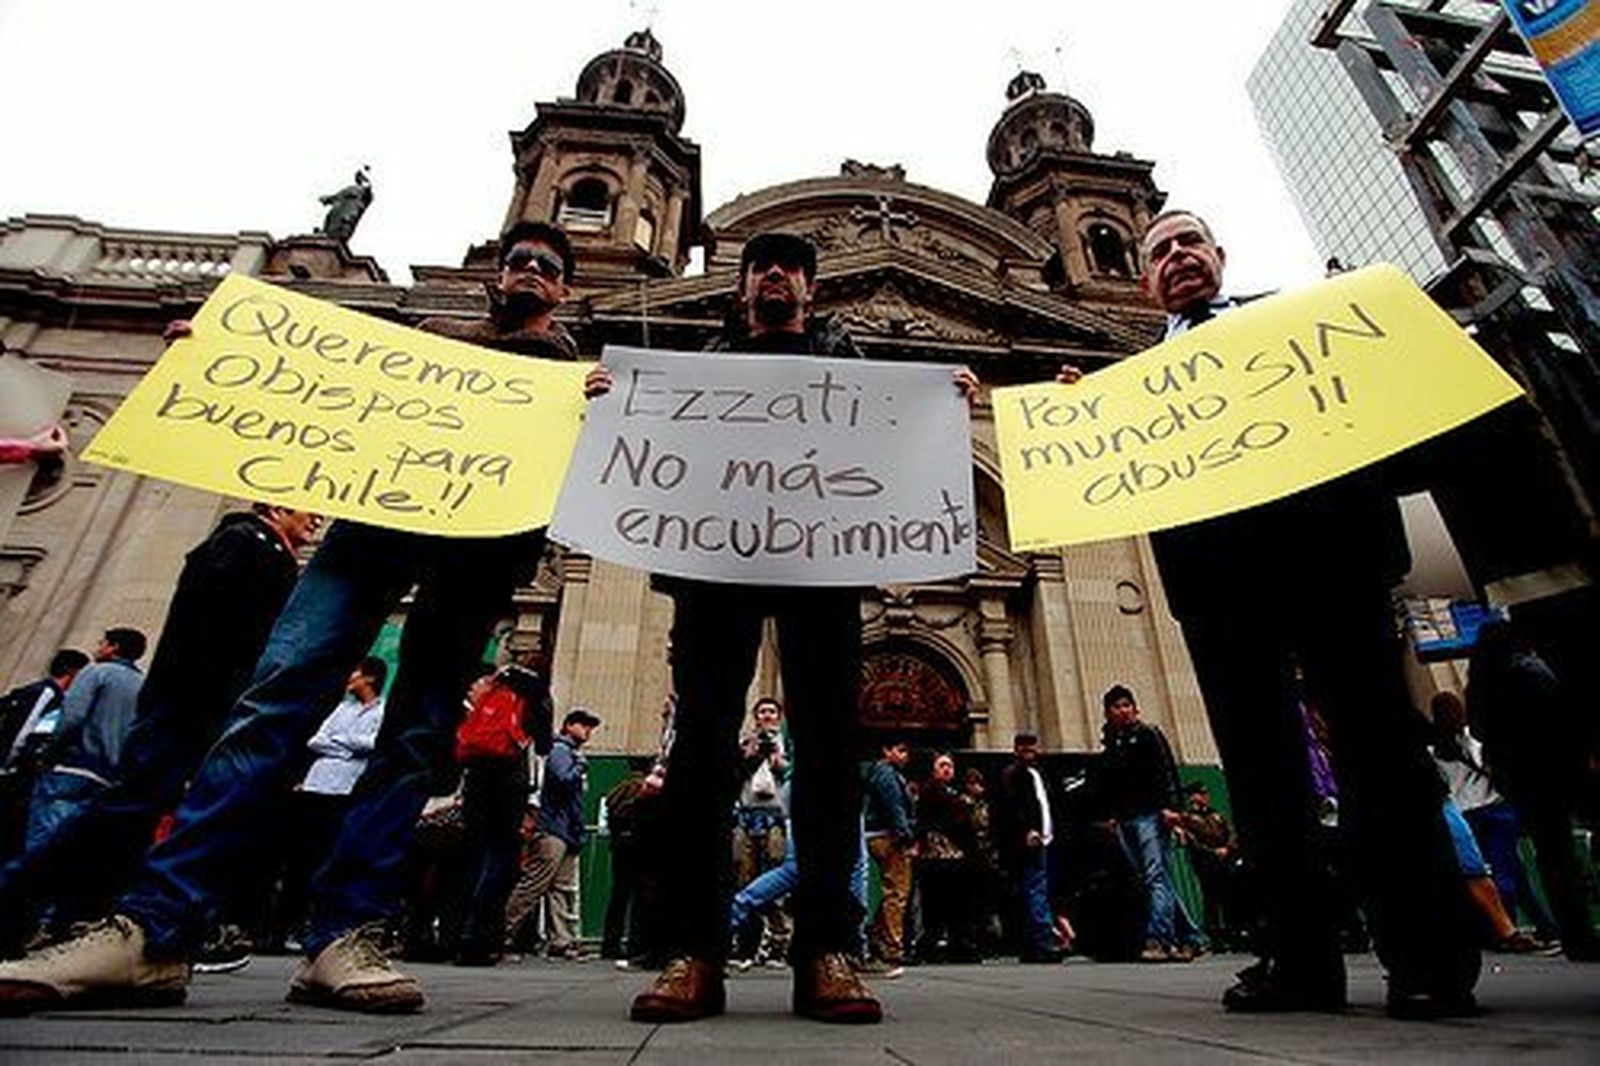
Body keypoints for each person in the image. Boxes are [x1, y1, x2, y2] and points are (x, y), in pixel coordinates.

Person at [0, 220, 605, 1015]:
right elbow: (323, 394)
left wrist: (598, 403)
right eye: (519, 260)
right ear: (498, 273)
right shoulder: (424, 335)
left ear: (563, 287)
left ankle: (343, 935)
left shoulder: (573, 366)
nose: (530, 272)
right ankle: (154, 928)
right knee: (271, 704)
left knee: (417, 739)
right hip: (369, 534)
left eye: (548, 267)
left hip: (479, 558)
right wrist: (220, 366)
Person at [1057, 209, 1480, 1017]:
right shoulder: (1140, 376)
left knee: (1378, 755)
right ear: (1146, 281)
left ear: (1220, 255)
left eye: (1189, 242)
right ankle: (1298, 962)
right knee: (1260, 776)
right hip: (1220, 592)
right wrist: (1082, 415)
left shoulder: (1299, 328)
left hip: (1333, 567)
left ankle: (1427, 959)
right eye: (1160, 252)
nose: (1176, 256)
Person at [624, 231, 979, 1026]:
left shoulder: (854, 372)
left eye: (792, 268)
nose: (776, 276)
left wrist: (950, 399)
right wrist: (610, 403)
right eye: (762, 266)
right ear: (743, 287)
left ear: (811, 293)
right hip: (716, 569)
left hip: (823, 568)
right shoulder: (700, 369)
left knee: (828, 751)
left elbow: (900, 448)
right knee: (701, 751)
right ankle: (694, 953)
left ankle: (828, 951)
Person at [0, 506, 317, 952]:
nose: (318, 519)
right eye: (310, 508)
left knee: (140, 811)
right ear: (277, 506)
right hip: (193, 701)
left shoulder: (256, 549)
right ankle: (23, 899)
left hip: (196, 701)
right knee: (131, 806)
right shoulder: (246, 545)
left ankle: (80, 913)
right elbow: (226, 631)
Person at [1467, 620, 1600, 960]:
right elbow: (1562, 709)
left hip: (1519, 777)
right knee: (1565, 847)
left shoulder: (1480, 683)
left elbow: (1479, 730)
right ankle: (1580, 928)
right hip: (1556, 767)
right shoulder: (1529, 669)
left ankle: (1573, 931)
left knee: (1550, 853)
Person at [1090, 685, 1200, 963]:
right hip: (1125, 819)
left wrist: (1172, 808)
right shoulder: (1111, 744)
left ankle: (1159, 939)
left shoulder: (1149, 734)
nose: (1123, 710)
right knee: (1156, 879)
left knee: (1154, 877)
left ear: (1135, 709)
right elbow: (1111, 784)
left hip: (1151, 814)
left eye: (1127, 705)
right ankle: (1191, 937)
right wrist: (1111, 816)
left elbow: (1166, 771)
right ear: (1107, 712)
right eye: (1117, 706)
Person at [23, 628, 147, 851]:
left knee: (43, 845)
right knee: (73, 849)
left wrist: (48, 753)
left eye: (103, 643)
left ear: (114, 647)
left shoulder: (96, 672)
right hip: (107, 778)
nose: (98, 647)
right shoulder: (143, 686)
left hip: (72, 769)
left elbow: (72, 718)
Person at [502, 707, 598, 960]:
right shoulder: (561, 751)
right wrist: (579, 766)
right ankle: (501, 932)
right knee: (535, 884)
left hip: (565, 830)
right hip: (553, 829)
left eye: (590, 726)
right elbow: (563, 780)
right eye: (582, 724)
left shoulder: (570, 753)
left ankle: (562, 942)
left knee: (560, 888)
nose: (587, 730)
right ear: (568, 726)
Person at [0, 650, 90, 860]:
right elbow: (24, 731)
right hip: (11, 773)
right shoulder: (48, 693)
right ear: (73, 672)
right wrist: (8, 766)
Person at [731, 697, 790, 962]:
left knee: (776, 880)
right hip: (747, 815)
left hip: (776, 817)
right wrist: (751, 754)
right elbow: (736, 772)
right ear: (755, 716)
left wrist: (778, 760)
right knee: (745, 877)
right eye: (762, 711)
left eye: (772, 712)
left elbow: (789, 772)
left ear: (779, 716)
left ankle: (779, 943)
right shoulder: (746, 740)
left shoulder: (786, 742)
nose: (767, 716)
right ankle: (747, 943)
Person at [998, 732, 1061, 963]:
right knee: (1035, 889)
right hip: (1028, 840)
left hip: (1046, 839)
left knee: (1037, 889)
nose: (1029, 750)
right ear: (1015, 750)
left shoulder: (1039, 774)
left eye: (1032, 746)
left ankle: (1032, 946)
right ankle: (1043, 942)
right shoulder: (1013, 774)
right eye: (1023, 747)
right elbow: (1015, 807)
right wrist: (1028, 829)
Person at [914, 752, 978, 963]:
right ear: (933, 769)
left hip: (955, 857)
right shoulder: (931, 790)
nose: (947, 769)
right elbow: (951, 815)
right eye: (942, 765)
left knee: (956, 904)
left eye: (950, 765)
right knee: (936, 904)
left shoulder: (952, 792)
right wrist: (962, 803)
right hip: (937, 857)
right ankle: (933, 946)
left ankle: (957, 945)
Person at [862, 738, 916, 974]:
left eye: (906, 751)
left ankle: (879, 939)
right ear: (886, 750)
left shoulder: (883, 773)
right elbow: (894, 807)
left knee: (890, 891)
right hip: (888, 837)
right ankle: (892, 946)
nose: (905, 756)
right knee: (896, 891)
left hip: (880, 834)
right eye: (900, 750)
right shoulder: (886, 774)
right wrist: (905, 835)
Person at [1176, 781, 1245, 952]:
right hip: (1206, 862)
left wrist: (1228, 848)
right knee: (1211, 899)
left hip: (1225, 859)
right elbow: (1194, 841)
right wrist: (1213, 851)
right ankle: (1216, 938)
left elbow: (1230, 832)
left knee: (1229, 897)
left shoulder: (1215, 815)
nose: (1204, 797)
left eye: (1205, 794)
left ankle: (1234, 934)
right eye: (1200, 794)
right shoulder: (1187, 817)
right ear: (1192, 796)